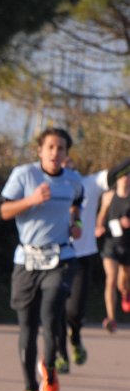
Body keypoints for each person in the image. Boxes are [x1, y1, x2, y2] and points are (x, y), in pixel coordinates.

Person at [0, 127, 84, 391]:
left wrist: (76, 224)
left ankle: (49, 366)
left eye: (61, 148)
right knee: (28, 328)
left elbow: (78, 203)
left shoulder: (73, 180)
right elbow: (1, 211)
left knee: (50, 314)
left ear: (66, 154)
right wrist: (31, 200)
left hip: (61, 257)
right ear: (40, 150)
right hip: (27, 260)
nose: (55, 153)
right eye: (50, 147)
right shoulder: (24, 175)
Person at [57, 153, 130, 364]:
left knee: (74, 311)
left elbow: (117, 170)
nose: (64, 163)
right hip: (55, 257)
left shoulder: (90, 183)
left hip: (82, 257)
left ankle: (75, 338)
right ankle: (60, 356)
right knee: (56, 309)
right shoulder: (47, 187)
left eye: (68, 159)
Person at [96, 172, 130, 332]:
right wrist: (99, 227)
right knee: (111, 279)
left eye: (128, 176)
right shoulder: (109, 196)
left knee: (123, 284)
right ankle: (111, 318)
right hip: (111, 245)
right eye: (122, 176)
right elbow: (101, 216)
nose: (125, 179)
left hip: (127, 245)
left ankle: (125, 293)